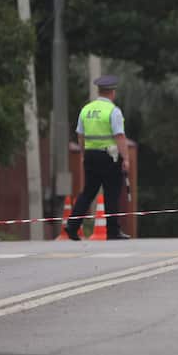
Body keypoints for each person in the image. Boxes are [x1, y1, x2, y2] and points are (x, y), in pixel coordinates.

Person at [66, 75, 131, 240]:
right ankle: (113, 231)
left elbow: (80, 135)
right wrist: (126, 158)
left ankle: (72, 226)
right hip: (110, 157)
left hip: (90, 155)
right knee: (112, 193)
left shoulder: (86, 109)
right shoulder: (113, 111)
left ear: (99, 91)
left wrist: (83, 153)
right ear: (112, 92)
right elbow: (119, 136)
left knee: (88, 192)